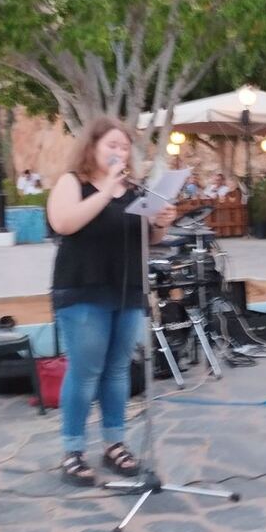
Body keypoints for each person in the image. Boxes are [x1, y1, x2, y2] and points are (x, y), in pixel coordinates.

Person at [46, 117, 178, 485]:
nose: (120, 152)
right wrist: (104, 191)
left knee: (118, 369)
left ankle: (114, 443)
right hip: (83, 289)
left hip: (127, 289)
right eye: (112, 145)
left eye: (124, 146)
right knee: (85, 370)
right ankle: (73, 449)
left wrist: (162, 221)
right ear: (92, 147)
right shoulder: (73, 182)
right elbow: (63, 223)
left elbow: (148, 238)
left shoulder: (134, 190)